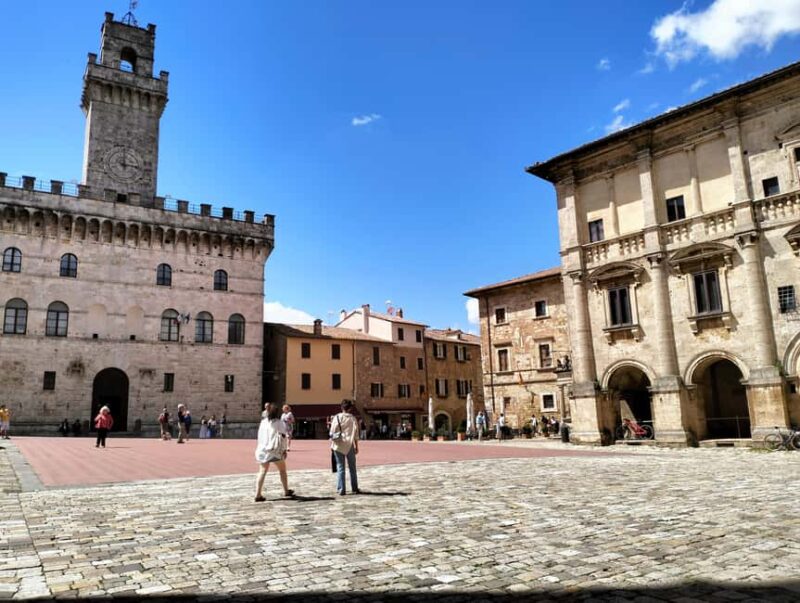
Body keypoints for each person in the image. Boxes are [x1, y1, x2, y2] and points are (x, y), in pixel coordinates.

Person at [254, 402, 294, 502]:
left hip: (263, 450)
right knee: (282, 470)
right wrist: (284, 449)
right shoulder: (279, 422)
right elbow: (283, 437)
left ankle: (258, 494)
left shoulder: (263, 422)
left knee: (262, 471)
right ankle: (286, 490)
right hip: (275, 450)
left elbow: (259, 436)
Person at [330, 400, 360, 496]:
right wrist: (356, 446)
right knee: (352, 467)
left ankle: (341, 489)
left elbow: (332, 431)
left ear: (342, 407)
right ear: (350, 408)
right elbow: (356, 434)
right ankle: (354, 488)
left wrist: (332, 443)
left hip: (338, 445)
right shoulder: (353, 419)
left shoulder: (337, 417)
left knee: (340, 467)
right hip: (349, 444)